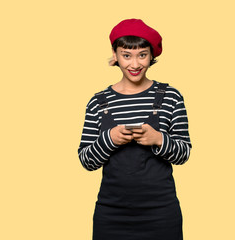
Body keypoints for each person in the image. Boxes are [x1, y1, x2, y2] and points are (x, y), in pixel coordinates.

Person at [77, 18, 192, 240]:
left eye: (142, 54)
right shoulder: (98, 102)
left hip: (162, 213)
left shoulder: (171, 97)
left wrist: (158, 139)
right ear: (115, 54)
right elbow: (86, 160)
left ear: (152, 56)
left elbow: (184, 153)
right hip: (110, 213)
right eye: (126, 55)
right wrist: (109, 139)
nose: (135, 64)